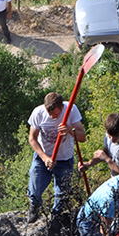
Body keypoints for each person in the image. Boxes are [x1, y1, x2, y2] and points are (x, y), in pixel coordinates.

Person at [27, 92, 87, 223]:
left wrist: (70, 130)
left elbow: (82, 137)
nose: (51, 116)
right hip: (43, 158)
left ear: (61, 107)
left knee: (62, 195)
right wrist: (44, 158)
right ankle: (34, 207)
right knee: (34, 187)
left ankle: (55, 218)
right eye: (49, 113)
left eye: (55, 114)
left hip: (64, 160)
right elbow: (32, 139)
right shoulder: (38, 113)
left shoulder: (71, 110)